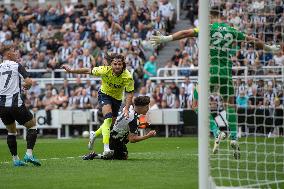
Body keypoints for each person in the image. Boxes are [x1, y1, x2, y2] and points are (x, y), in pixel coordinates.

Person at [150, 6, 280, 159]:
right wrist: (269, 48)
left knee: (196, 105)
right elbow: (253, 40)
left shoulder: (208, 28)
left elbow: (186, 33)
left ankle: (217, 130)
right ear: (223, 16)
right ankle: (233, 137)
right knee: (230, 105)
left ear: (210, 16)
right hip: (226, 73)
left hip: (210, 72)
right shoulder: (232, 31)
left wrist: (166, 38)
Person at [62, 53, 134, 157]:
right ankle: (106, 148)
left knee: (111, 125)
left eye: (119, 64)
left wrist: (126, 109)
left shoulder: (127, 76)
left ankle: (94, 134)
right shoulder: (104, 70)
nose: (117, 66)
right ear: (111, 64)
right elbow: (87, 70)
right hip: (104, 95)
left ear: (123, 65)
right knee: (108, 120)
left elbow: (129, 93)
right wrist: (71, 70)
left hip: (117, 100)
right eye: (115, 64)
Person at [0, 45, 41, 166]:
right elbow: (29, 81)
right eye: (13, 52)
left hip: (1, 106)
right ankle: (29, 155)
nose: (16, 54)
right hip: (15, 104)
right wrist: (27, 86)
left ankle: (16, 160)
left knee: (11, 132)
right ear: (8, 54)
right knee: (32, 126)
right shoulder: (16, 65)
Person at [82, 96, 156, 160]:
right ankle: (96, 155)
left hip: (113, 133)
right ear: (140, 107)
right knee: (122, 156)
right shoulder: (134, 119)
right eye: (146, 107)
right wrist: (148, 136)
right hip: (115, 140)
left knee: (123, 152)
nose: (148, 109)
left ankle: (97, 137)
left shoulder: (128, 107)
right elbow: (132, 139)